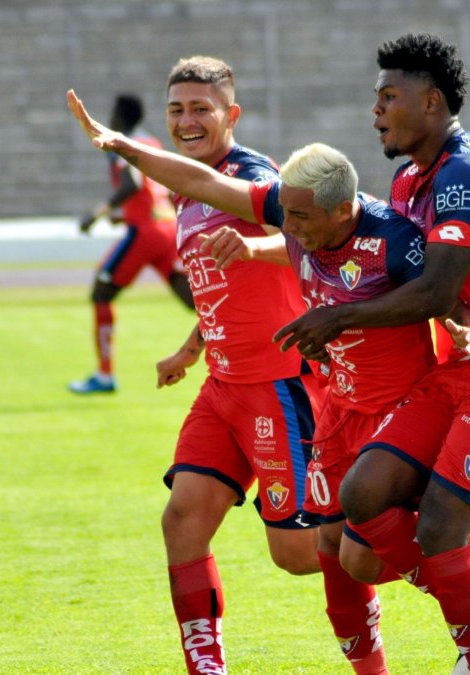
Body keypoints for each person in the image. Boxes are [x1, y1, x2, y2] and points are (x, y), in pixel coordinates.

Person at [67, 86, 470, 672]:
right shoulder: (282, 212)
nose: (291, 229)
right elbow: (207, 203)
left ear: (340, 209)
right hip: (302, 402)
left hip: (353, 404)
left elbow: (445, 293)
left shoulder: (384, 235)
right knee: (283, 546)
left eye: (200, 108)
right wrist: (121, 146)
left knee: (346, 557)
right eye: (176, 109)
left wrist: (469, 328)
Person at [274, 34, 470, 675]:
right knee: (363, 496)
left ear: (432, 102)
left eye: (390, 96)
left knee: (435, 524)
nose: (377, 110)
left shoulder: (466, 172)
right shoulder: (412, 177)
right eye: (376, 97)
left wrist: (337, 316)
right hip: (463, 370)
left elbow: (436, 288)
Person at [68, 57, 321, 675]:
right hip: (224, 387)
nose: (187, 120)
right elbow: (220, 286)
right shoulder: (186, 190)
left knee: (297, 554)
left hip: (280, 386)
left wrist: (256, 243)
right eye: (177, 109)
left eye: (201, 108)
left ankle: (450, 541)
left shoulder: (253, 174)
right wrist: (191, 348)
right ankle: (207, 667)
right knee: (182, 521)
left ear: (230, 115)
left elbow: (307, 237)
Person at [68, 93, 195, 395]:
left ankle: (104, 375)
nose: (110, 118)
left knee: (101, 294)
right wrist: (123, 216)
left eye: (113, 112)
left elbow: (132, 185)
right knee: (196, 302)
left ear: (121, 117)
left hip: (144, 235)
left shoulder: (121, 144)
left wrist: (97, 214)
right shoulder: (152, 142)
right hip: (166, 228)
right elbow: (152, 193)